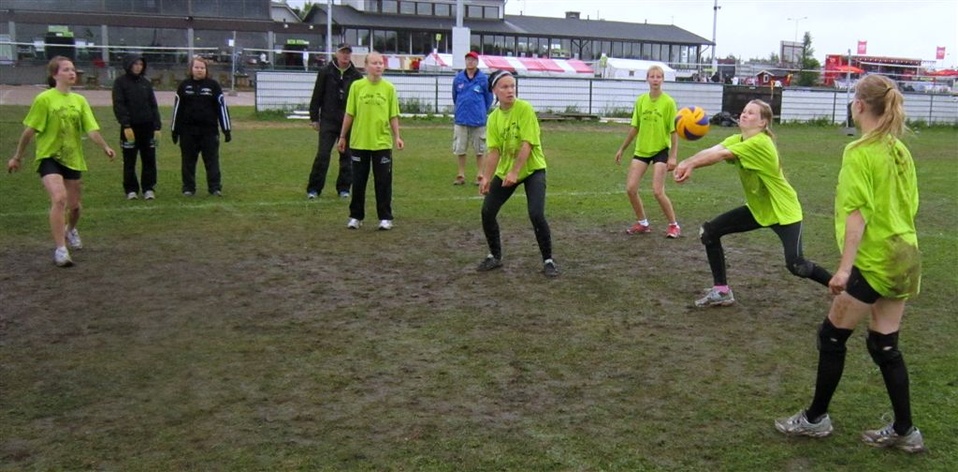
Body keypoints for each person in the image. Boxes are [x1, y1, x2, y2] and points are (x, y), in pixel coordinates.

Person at [774, 75, 924, 453]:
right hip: (905, 255)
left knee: (832, 336)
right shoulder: (898, 150)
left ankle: (815, 419)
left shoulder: (859, 151)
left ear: (859, 105)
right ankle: (905, 430)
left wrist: (844, 269)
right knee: (884, 344)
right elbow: (912, 204)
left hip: (875, 261)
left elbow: (857, 214)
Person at [673, 99, 831, 307]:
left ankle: (841, 287)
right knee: (709, 232)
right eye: (744, 111)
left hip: (784, 212)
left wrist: (690, 163)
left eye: (751, 113)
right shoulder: (738, 139)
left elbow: (721, 155)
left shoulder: (760, 143)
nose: (744, 115)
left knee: (796, 265)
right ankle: (721, 291)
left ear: (763, 122)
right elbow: (713, 150)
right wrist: (687, 161)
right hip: (758, 210)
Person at [6, 56, 116, 267]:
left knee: (75, 207)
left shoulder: (79, 101)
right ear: (55, 74)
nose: (71, 73)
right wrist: (17, 157)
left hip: (72, 158)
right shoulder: (44, 99)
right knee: (59, 198)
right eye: (66, 69)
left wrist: (105, 147)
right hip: (49, 157)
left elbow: (91, 130)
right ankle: (61, 250)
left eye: (73, 69)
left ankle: (70, 230)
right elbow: (29, 131)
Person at [476, 70, 558, 278]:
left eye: (512, 86)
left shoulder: (524, 109)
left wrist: (515, 172)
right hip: (507, 171)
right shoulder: (493, 118)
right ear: (494, 90)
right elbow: (494, 151)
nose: (510, 90)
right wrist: (486, 177)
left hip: (532, 169)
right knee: (487, 212)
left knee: (536, 213)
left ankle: (548, 260)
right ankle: (495, 256)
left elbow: (527, 143)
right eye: (504, 87)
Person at [338, 51, 404, 230]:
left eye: (381, 63)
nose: (378, 66)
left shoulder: (389, 88)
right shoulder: (357, 87)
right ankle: (356, 216)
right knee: (358, 182)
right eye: (374, 63)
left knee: (383, 182)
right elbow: (350, 113)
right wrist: (343, 136)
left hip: (381, 143)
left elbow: (393, 115)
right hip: (360, 142)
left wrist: (397, 136)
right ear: (366, 66)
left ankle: (385, 217)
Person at [614, 65, 681, 238]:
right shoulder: (641, 101)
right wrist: (622, 148)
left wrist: (673, 156)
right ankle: (643, 223)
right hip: (642, 149)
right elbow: (635, 127)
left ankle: (674, 225)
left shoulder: (668, 102)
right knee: (631, 189)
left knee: (657, 191)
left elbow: (674, 131)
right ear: (647, 79)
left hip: (660, 150)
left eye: (659, 77)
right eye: (652, 76)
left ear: (663, 79)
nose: (655, 79)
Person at [306, 42, 362, 200]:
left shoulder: (356, 76)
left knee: (347, 156)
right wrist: (314, 118)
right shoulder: (325, 72)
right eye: (343, 52)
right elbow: (317, 95)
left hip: (348, 122)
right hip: (328, 121)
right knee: (323, 154)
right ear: (337, 54)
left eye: (348, 53)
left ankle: (344, 188)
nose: (345, 56)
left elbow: (359, 101)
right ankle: (314, 188)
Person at [170, 56, 232, 197]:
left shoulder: (213, 86)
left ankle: (215, 188)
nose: (199, 70)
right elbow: (177, 109)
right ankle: (188, 188)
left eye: (202, 68)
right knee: (188, 161)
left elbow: (222, 108)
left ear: (206, 70)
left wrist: (226, 130)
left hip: (209, 132)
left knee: (212, 161)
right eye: (197, 67)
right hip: (188, 132)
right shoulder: (184, 86)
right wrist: (175, 130)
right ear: (191, 69)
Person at [112, 53, 161, 200]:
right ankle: (131, 189)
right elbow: (119, 104)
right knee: (129, 160)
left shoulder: (146, 83)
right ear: (128, 65)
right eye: (135, 64)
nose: (138, 67)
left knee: (149, 159)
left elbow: (153, 105)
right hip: (130, 129)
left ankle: (148, 188)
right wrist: (125, 124)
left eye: (140, 64)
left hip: (148, 127)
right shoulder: (120, 83)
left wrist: (157, 126)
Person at [451, 51, 493, 186]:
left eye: (473, 60)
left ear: (477, 62)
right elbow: (455, 97)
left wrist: (481, 110)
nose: (470, 62)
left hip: (478, 120)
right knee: (460, 148)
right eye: (468, 59)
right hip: (461, 119)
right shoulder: (458, 79)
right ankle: (461, 174)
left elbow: (489, 98)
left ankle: (480, 175)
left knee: (480, 149)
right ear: (465, 62)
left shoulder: (483, 79)